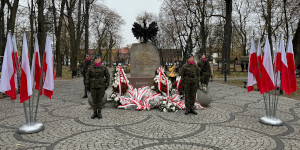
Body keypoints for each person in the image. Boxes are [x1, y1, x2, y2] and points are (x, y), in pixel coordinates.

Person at [86, 55, 110, 119]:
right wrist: (87, 85)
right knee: (94, 100)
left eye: (98, 59)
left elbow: (108, 76)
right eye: (96, 59)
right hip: (93, 86)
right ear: (94, 60)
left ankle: (99, 112)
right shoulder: (91, 67)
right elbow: (87, 76)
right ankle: (94, 113)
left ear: (100, 59)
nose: (97, 60)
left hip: (101, 86)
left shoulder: (104, 67)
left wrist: (106, 84)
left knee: (100, 100)